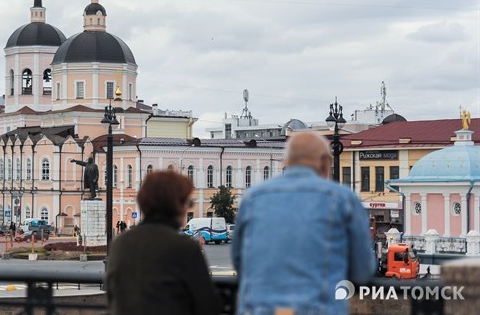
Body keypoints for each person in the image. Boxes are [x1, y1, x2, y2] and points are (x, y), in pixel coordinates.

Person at [232, 132, 376, 315]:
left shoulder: (253, 198)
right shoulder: (342, 199)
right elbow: (362, 272)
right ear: (325, 162)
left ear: (287, 162)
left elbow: (240, 262)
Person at [106, 170, 221, 315]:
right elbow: (208, 304)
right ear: (176, 205)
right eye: (187, 203)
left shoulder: (120, 243)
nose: (187, 209)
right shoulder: (184, 246)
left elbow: (112, 296)